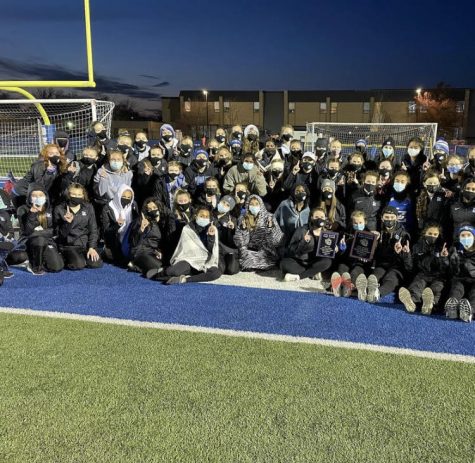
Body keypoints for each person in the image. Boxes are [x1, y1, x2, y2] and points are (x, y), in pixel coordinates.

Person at [355, 206, 410, 303]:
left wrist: (403, 253)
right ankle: (364, 291)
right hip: (382, 264)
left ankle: (377, 294)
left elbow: (408, 263)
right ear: (382, 218)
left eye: (392, 218)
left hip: (396, 266)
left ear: (397, 218)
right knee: (374, 277)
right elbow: (369, 253)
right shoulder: (377, 231)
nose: (389, 220)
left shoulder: (403, 235)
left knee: (391, 278)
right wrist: (374, 243)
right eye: (387, 217)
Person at [280, 207, 344, 289]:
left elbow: (328, 254)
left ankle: (299, 277)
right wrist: (303, 241)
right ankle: (313, 272)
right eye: (316, 217)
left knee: (327, 262)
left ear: (325, 219)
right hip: (300, 262)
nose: (319, 219)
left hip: (316, 262)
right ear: (311, 218)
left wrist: (336, 250)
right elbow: (290, 250)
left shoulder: (328, 234)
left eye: (322, 217)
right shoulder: (302, 230)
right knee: (284, 263)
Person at [159, 206, 222, 285]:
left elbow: (211, 251)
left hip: (205, 261)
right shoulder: (187, 229)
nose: (204, 218)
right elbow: (184, 250)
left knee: (216, 273)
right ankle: (159, 273)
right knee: (172, 271)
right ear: (196, 216)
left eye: (206, 217)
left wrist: (211, 237)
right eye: (201, 216)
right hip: (189, 260)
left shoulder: (212, 229)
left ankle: (185, 280)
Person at [398, 224, 448, 314]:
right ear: (424, 233)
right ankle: (412, 303)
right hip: (423, 274)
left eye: (435, 234)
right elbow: (410, 267)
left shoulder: (442, 248)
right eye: (430, 233)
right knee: (416, 286)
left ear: (439, 235)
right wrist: (407, 254)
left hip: (438, 276)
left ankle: (430, 305)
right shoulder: (417, 246)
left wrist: (443, 258)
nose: (432, 236)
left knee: (436, 289)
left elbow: (445, 269)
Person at [17, 184, 64, 275]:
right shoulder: (22, 209)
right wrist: (32, 214)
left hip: (48, 241)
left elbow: (54, 230)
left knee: (57, 267)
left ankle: (36, 258)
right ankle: (35, 267)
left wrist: (38, 232)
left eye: (40, 195)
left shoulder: (52, 209)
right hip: (29, 243)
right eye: (34, 195)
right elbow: (26, 232)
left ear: (45, 196)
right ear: (29, 197)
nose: (38, 197)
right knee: (39, 240)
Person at [53, 183, 102, 270]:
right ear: (68, 194)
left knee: (95, 263)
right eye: (74, 194)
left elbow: (93, 229)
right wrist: (67, 223)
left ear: (83, 195)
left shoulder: (88, 207)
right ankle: (64, 257)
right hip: (68, 245)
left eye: (79, 194)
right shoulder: (59, 209)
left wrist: (92, 247)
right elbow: (59, 234)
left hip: (84, 244)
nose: (77, 197)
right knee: (78, 265)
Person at [234, 195, 284, 271]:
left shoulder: (270, 217)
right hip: (249, 249)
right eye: (251, 204)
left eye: (256, 204)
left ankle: (256, 265)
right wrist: (243, 229)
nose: (254, 206)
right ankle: (252, 264)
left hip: (266, 250)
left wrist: (270, 228)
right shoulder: (242, 218)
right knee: (246, 256)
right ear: (247, 205)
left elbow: (276, 241)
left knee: (263, 258)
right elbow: (239, 241)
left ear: (261, 205)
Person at [129, 198, 171, 277]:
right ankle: (137, 266)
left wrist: (158, 251)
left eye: (155, 208)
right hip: (140, 252)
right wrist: (141, 229)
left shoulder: (163, 221)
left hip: (153, 252)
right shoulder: (141, 220)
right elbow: (133, 241)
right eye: (150, 209)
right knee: (161, 268)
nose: (153, 210)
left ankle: (139, 267)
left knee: (169, 265)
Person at [444, 225, 475, 322]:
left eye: (468, 235)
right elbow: (450, 271)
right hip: (460, 278)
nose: (466, 238)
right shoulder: (455, 249)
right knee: (456, 288)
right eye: (463, 235)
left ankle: (470, 312)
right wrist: (447, 259)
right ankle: (452, 309)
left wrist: (467, 265)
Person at [101, 185, 137, 266]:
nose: (126, 199)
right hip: (114, 241)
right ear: (118, 195)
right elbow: (106, 231)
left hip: (129, 240)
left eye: (129, 197)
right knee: (118, 260)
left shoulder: (133, 206)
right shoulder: (108, 208)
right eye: (123, 196)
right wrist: (117, 225)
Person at [214, 195, 240, 275]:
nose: (224, 205)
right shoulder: (210, 214)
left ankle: (231, 259)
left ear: (230, 208)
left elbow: (235, 238)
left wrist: (232, 229)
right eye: (223, 202)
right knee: (219, 270)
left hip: (226, 249)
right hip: (212, 248)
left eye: (227, 205)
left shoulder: (232, 219)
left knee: (231, 270)